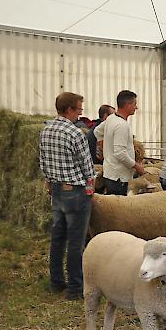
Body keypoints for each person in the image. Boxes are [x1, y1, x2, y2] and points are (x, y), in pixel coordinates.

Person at [39, 92, 96, 300]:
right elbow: (87, 167)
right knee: (75, 241)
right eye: (79, 109)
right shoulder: (76, 133)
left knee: (57, 237)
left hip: (56, 190)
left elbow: (43, 162)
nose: (80, 113)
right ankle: (74, 288)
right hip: (75, 192)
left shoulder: (45, 130)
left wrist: (49, 183)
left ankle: (56, 282)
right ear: (70, 109)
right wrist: (91, 186)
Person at [94, 91, 144, 195]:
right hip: (119, 177)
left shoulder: (111, 118)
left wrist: (102, 146)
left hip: (110, 173)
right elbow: (120, 153)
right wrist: (136, 166)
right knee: (120, 209)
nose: (136, 107)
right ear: (127, 105)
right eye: (135, 104)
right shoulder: (121, 125)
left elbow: (97, 131)